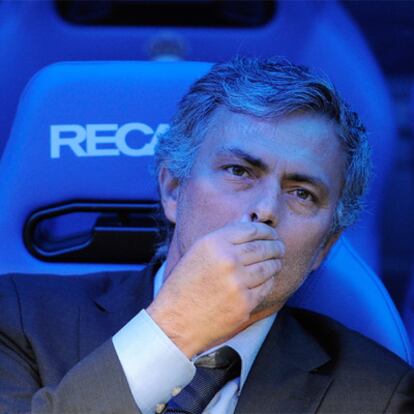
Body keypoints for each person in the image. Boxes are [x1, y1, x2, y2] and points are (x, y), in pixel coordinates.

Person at [0, 57, 413, 414]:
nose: (266, 208)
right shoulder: (17, 318)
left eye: (302, 193)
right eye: (239, 171)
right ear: (173, 190)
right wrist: (174, 330)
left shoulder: (380, 395)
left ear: (326, 245)